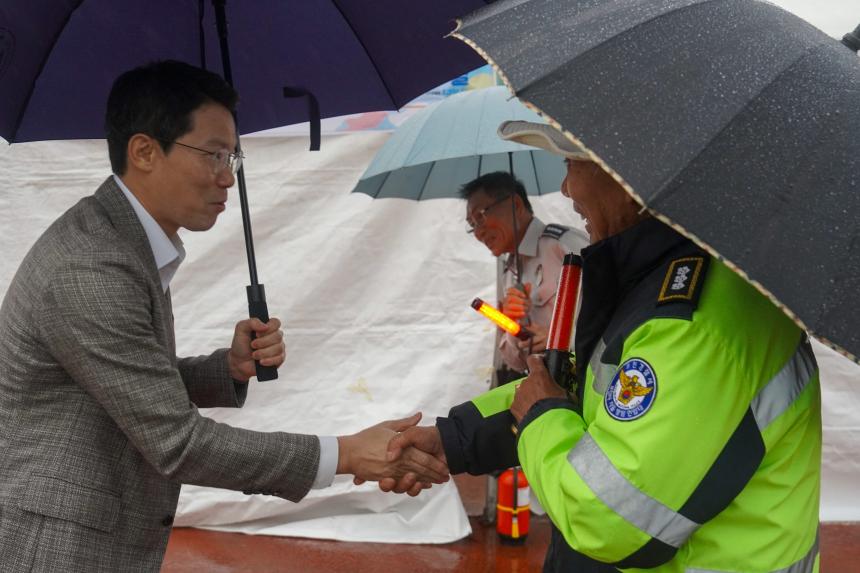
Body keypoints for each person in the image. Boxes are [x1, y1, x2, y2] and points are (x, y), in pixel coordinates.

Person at [0, 60, 446, 573]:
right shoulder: (92, 266)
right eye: (212, 155)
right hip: (61, 547)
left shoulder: (121, 242)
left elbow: (123, 380)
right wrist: (345, 454)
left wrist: (227, 369)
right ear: (144, 151)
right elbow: (178, 442)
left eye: (231, 157)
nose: (226, 178)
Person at [385, 121, 822, 572]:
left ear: (633, 175)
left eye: (572, 162)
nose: (566, 187)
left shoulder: (695, 324)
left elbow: (607, 521)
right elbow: (588, 384)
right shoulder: (657, 282)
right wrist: (453, 439)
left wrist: (541, 416)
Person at [461, 171, 588, 374]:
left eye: (480, 217)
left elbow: (612, 316)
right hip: (547, 385)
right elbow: (515, 363)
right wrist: (513, 328)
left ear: (516, 205)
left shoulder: (564, 246)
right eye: (472, 225)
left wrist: (560, 341)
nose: (478, 232)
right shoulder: (509, 271)